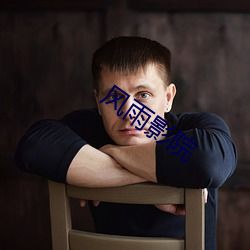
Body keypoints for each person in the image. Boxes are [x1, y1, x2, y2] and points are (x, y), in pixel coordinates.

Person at [14, 36, 237, 250]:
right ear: (98, 102)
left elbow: (208, 162)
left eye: (143, 95)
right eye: (113, 98)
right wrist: (167, 175)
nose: (129, 114)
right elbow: (33, 147)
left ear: (168, 98)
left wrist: (107, 155)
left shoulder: (192, 130)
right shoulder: (91, 127)